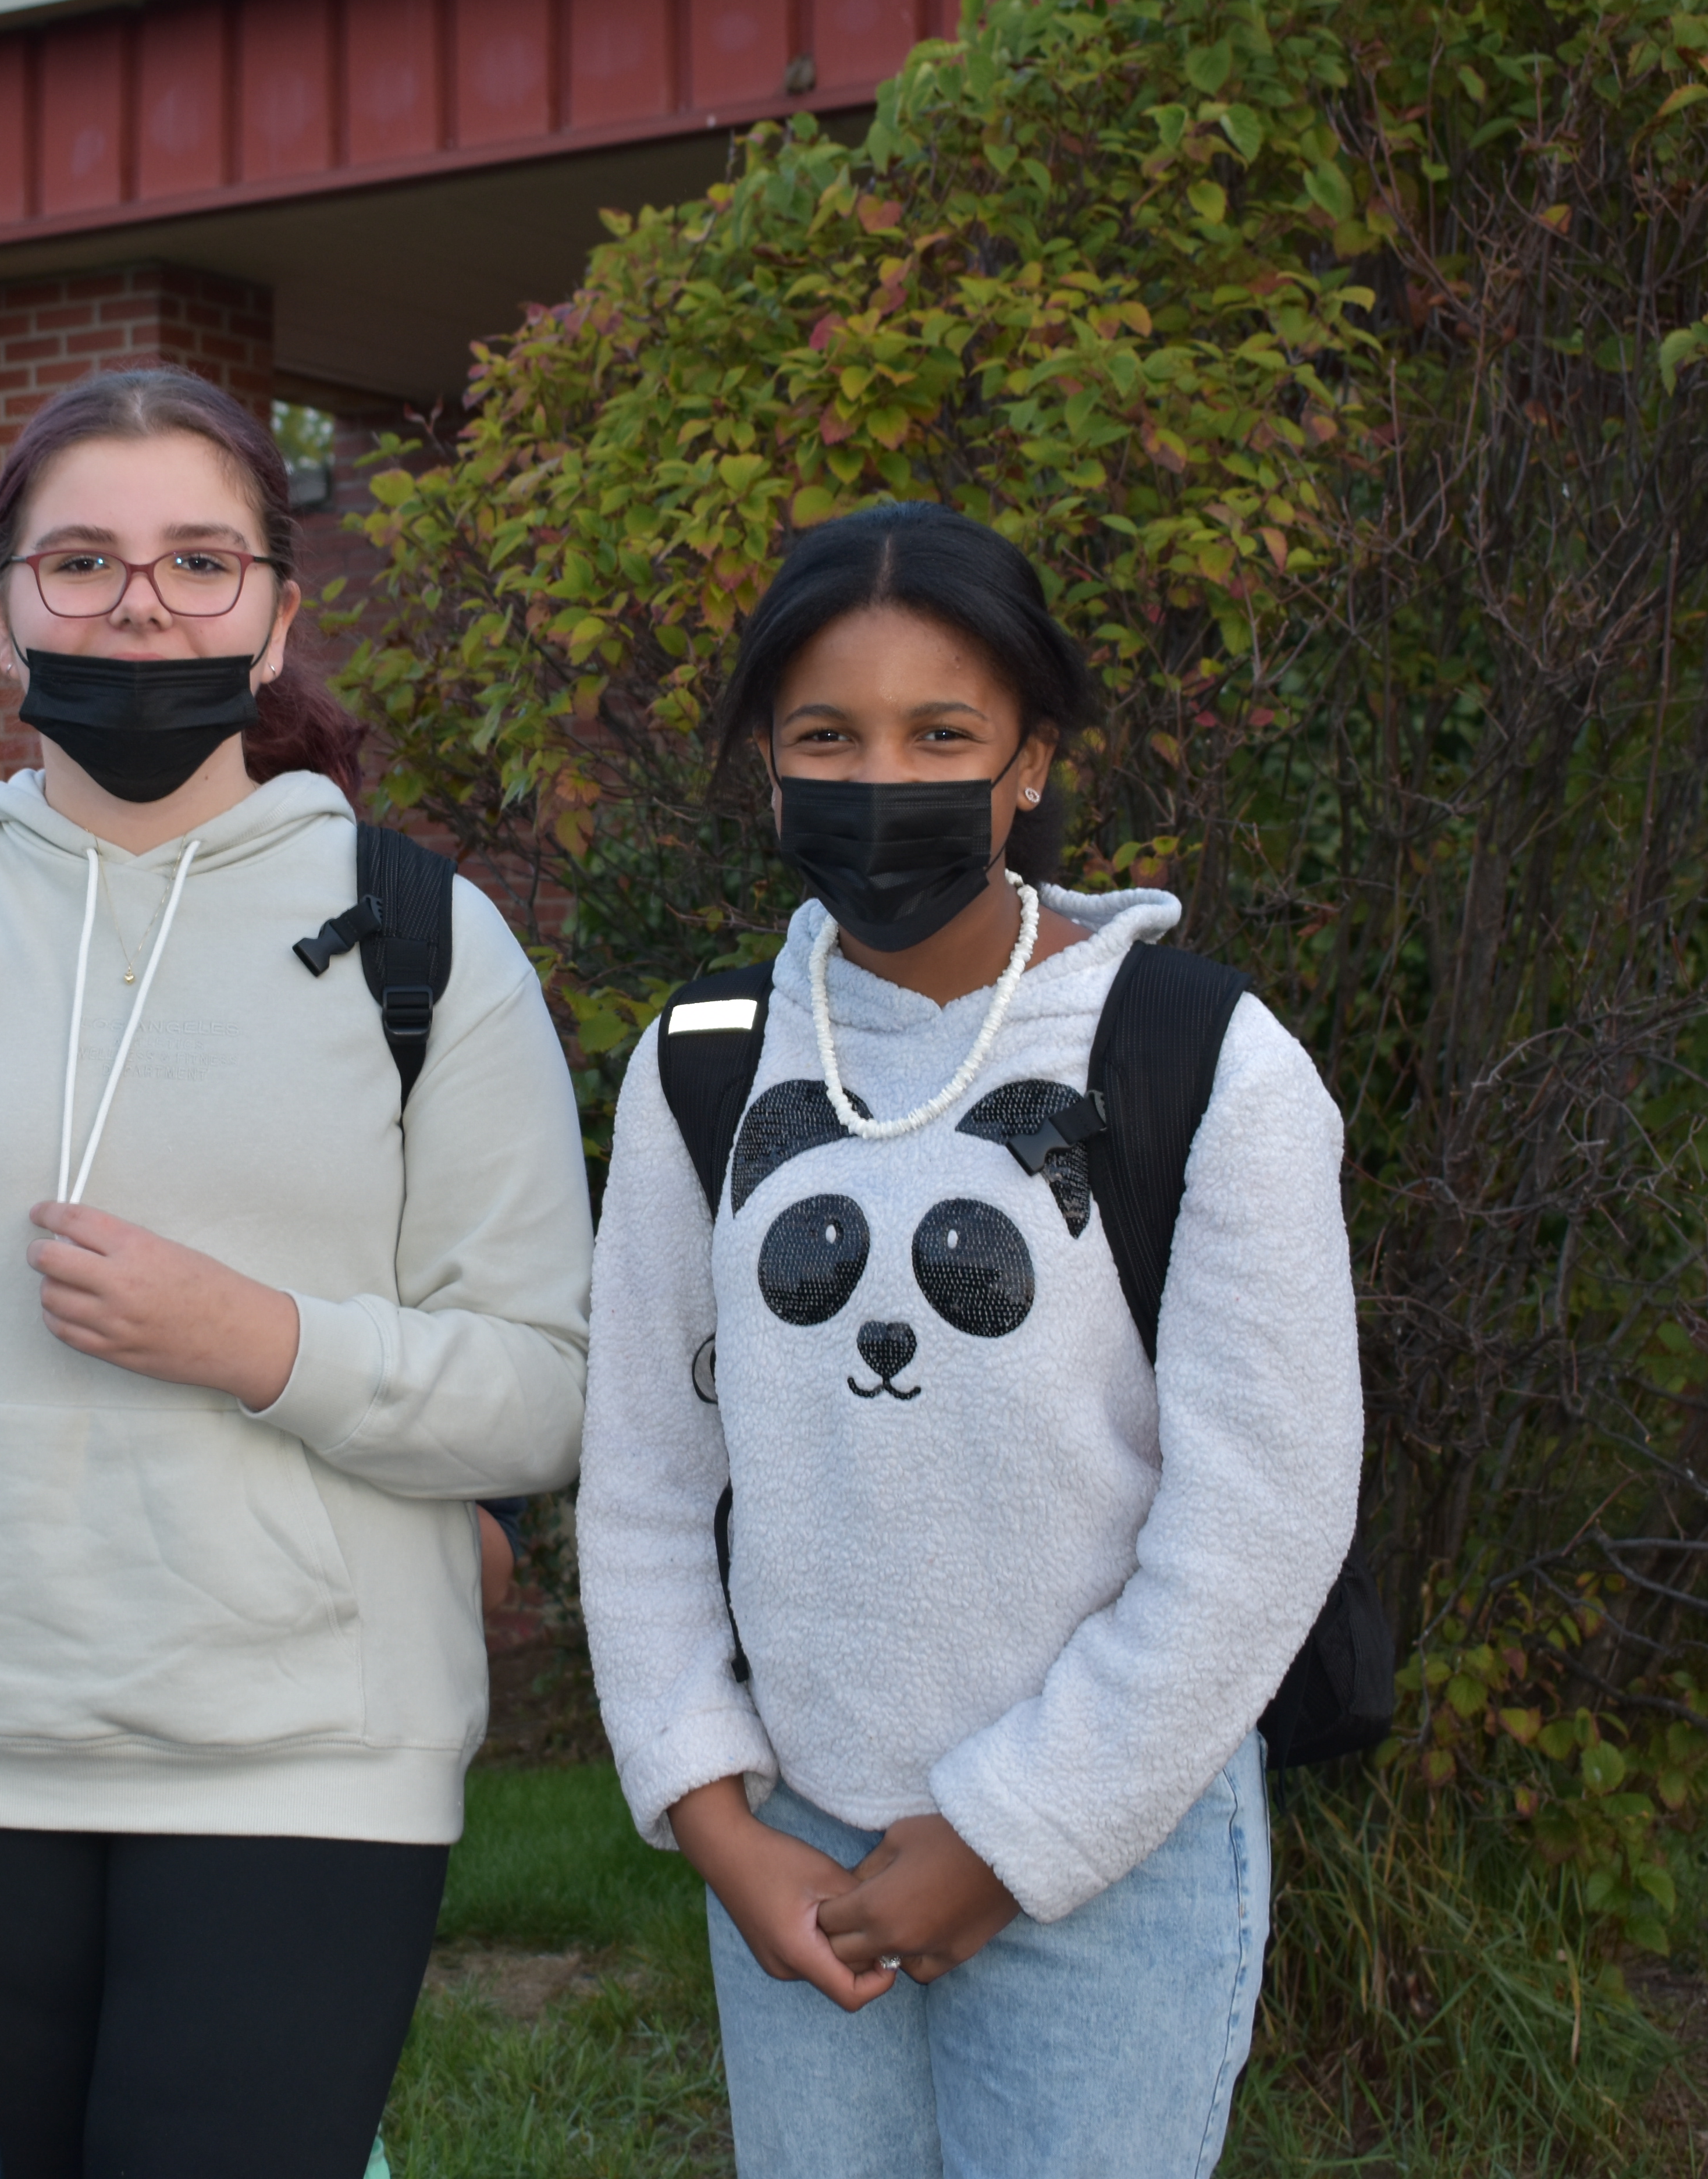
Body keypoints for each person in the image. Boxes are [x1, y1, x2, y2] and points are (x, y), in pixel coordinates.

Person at [0, 365, 593, 2179]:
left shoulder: (425, 942)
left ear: (277, 615)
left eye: (202, 562)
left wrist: (260, 1342)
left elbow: (542, 1388)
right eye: (85, 561)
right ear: (4, 610)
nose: (142, 604)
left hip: (318, 1774)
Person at [576, 502, 1363, 2178]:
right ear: (767, 774)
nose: (883, 782)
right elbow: (644, 1478)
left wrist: (1009, 1836)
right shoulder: (706, 1066)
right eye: (827, 737)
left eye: (942, 733)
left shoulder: (1207, 1060)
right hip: (793, 1859)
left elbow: (1264, 1520)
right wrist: (719, 1824)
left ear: (1029, 763)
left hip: (1112, 1862)